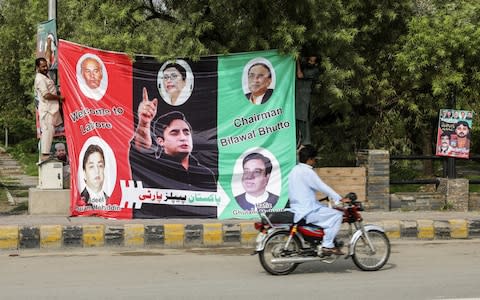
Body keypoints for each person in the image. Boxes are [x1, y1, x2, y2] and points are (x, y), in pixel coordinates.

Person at [130, 88, 216, 191]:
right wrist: (144, 123)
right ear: (161, 141)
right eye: (174, 133)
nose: (183, 138)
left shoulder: (205, 173)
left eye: (186, 132)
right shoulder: (153, 168)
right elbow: (141, 148)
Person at [288, 145, 350, 256]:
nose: (315, 161)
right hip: (307, 211)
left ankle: (319, 242)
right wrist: (339, 198)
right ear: (309, 159)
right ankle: (327, 245)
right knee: (337, 216)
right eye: (314, 159)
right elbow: (322, 187)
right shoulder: (308, 172)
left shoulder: (295, 169)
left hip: (298, 208)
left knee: (326, 210)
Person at [34, 55, 64, 162]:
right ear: (38, 68)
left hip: (52, 109)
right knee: (47, 131)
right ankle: (45, 154)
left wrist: (49, 41)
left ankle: (46, 153)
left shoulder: (45, 75)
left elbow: (47, 57)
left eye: (46, 66)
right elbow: (46, 95)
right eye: (43, 67)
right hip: (47, 110)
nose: (46, 68)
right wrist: (60, 98)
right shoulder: (40, 79)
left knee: (51, 132)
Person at [295, 56, 319, 146]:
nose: (310, 62)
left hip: (304, 97)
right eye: (309, 59)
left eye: (312, 61)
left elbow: (300, 75)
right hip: (297, 96)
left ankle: (305, 141)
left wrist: (297, 62)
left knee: (303, 119)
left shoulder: (314, 70)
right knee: (295, 120)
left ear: (315, 63)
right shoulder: (305, 66)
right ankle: (296, 141)